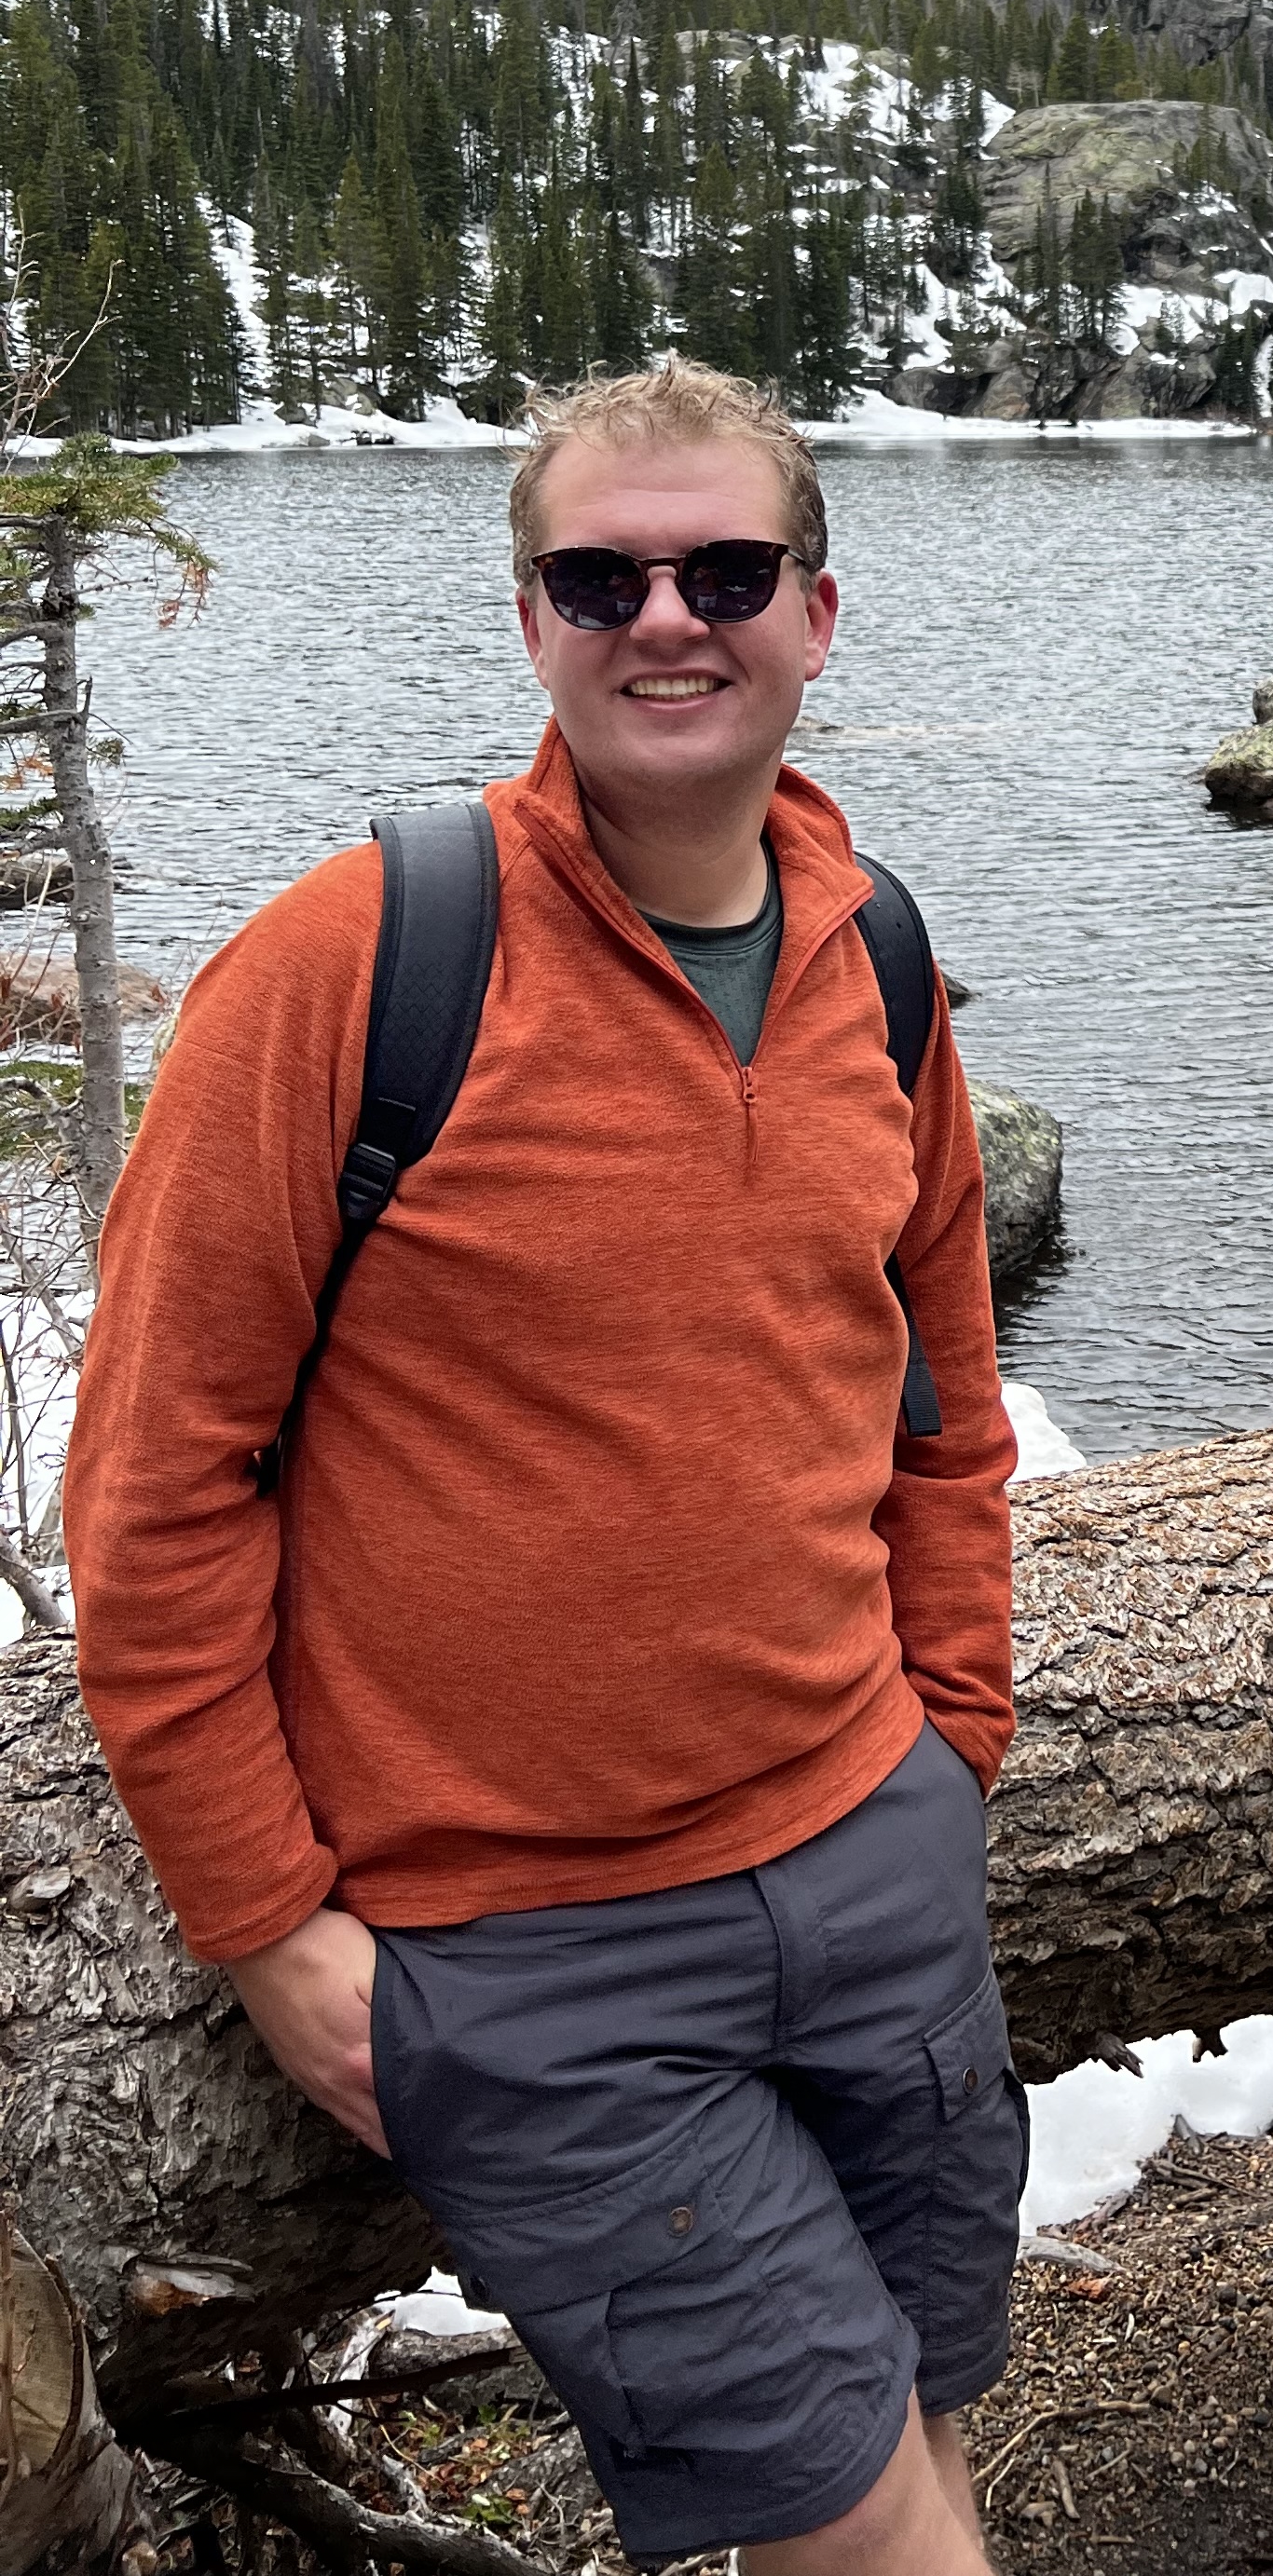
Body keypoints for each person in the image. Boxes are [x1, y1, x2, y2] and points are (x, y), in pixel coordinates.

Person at [64, 358, 1023, 2576]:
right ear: (530, 622)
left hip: (871, 1861)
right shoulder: (353, 969)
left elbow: (944, 1405)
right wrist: (277, 1924)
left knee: (919, 2409)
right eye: (599, 574)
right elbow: (155, 1492)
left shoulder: (875, 964)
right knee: (868, 2526)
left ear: (817, 611)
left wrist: (949, 1738)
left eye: (723, 570)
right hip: (541, 1952)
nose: (663, 617)